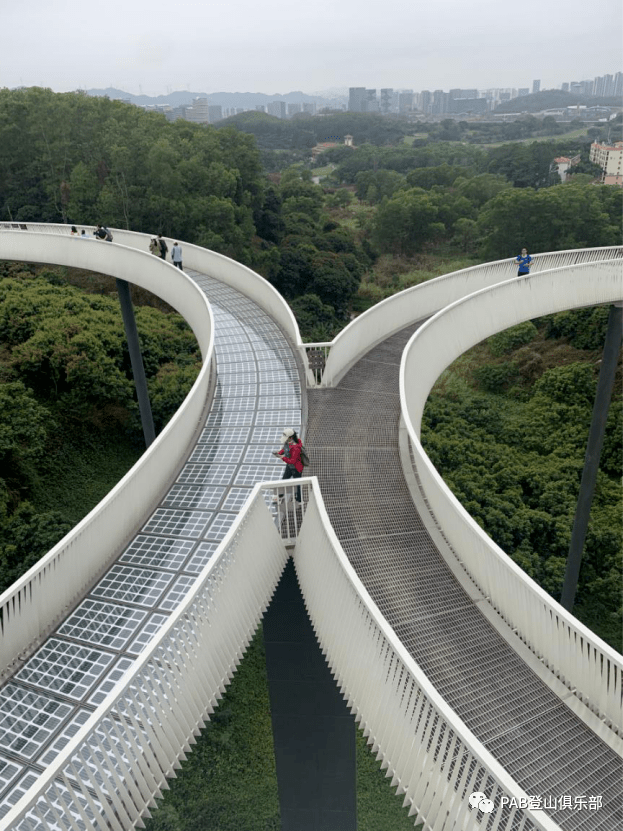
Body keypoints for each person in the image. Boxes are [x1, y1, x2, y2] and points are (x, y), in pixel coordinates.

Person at [273, 428, 303, 503]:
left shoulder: (296, 448)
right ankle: (280, 494)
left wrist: (282, 457)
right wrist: (279, 453)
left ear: (290, 438)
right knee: (284, 480)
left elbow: (292, 461)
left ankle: (299, 500)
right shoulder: (288, 442)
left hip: (296, 468)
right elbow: (285, 448)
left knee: (297, 485)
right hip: (289, 466)